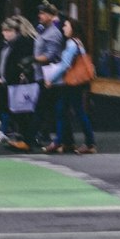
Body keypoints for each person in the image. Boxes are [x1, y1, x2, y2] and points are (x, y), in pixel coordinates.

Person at [42, 16, 97, 153]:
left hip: (72, 83)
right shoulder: (78, 42)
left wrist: (51, 79)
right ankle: (62, 142)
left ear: (73, 28)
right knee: (63, 110)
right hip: (75, 82)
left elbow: (64, 65)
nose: (64, 28)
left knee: (74, 112)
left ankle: (89, 143)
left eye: (66, 26)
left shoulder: (72, 44)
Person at [0, 15, 39, 150]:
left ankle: (27, 139)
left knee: (22, 110)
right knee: (22, 110)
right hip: (18, 80)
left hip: (19, 81)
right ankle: (27, 138)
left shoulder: (22, 42)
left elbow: (16, 62)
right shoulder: (23, 41)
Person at [32, 0, 65, 147]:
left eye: (43, 13)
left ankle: (42, 134)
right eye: (39, 13)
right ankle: (45, 134)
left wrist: (33, 59)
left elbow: (50, 55)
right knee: (45, 107)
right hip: (42, 75)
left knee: (44, 106)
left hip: (49, 76)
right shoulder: (42, 30)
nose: (40, 16)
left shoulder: (53, 33)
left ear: (52, 16)